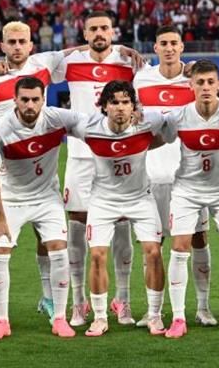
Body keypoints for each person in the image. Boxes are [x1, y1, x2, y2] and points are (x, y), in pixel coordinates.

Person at [0, 21, 80, 331]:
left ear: (31, 45)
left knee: (46, 238)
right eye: (12, 42)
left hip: (40, 166)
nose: (17, 46)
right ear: (2, 45)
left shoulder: (43, 64)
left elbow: (80, 51)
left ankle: (48, 298)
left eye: (22, 41)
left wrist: (122, 49)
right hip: (6, 165)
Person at [52, 11, 144, 327]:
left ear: (113, 31)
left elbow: (153, 84)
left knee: (122, 223)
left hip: (118, 155)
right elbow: (35, 65)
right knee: (77, 225)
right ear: (85, 33)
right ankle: (79, 302)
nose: (100, 33)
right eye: (93, 29)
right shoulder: (70, 62)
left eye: (105, 27)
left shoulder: (129, 62)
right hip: (81, 154)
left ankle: (123, 300)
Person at [162, 60, 219, 338]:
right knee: (179, 249)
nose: (205, 87)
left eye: (210, 82)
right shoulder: (178, 116)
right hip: (187, 190)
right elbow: (161, 139)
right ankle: (178, 318)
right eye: (200, 82)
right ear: (190, 85)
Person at [132, 25, 215, 327]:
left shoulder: (195, 80)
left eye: (174, 43)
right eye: (163, 43)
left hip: (190, 176)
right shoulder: (141, 79)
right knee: (152, 245)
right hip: (150, 174)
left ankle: (203, 307)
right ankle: (153, 311)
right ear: (155, 48)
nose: (169, 48)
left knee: (198, 239)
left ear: (182, 47)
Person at [78, 81, 167, 337]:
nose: (120, 107)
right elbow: (55, 118)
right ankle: (100, 318)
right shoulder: (89, 127)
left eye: (126, 102)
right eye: (114, 102)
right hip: (103, 200)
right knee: (97, 256)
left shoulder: (147, 123)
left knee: (154, 253)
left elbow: (173, 119)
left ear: (133, 106)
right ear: (104, 106)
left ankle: (154, 315)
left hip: (140, 198)